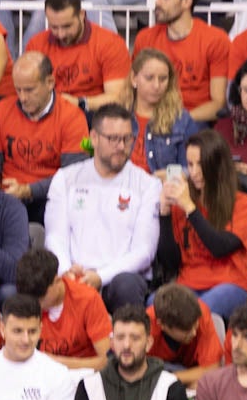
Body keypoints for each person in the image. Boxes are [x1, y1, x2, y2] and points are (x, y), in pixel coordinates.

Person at [43, 104, 162, 311]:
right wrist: (67, 271)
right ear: (94, 138)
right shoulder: (66, 178)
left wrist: (100, 276)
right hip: (74, 276)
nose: (121, 146)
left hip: (118, 279)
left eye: (127, 139)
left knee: (127, 284)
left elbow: (144, 251)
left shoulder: (148, 185)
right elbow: (55, 236)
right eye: (113, 139)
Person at [158, 128, 247, 322]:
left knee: (197, 311)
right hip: (188, 285)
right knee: (155, 305)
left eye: (200, 165)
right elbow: (171, 262)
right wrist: (164, 212)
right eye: (189, 164)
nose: (194, 172)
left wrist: (189, 207)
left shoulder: (243, 203)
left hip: (231, 284)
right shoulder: (181, 206)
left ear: (217, 165)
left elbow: (219, 248)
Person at [0, 52, 90, 222]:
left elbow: (73, 175)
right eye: (18, 89)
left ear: (50, 83)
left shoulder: (73, 117)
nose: (23, 97)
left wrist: (29, 190)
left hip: (51, 199)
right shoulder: (2, 110)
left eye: (29, 90)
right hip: (6, 196)